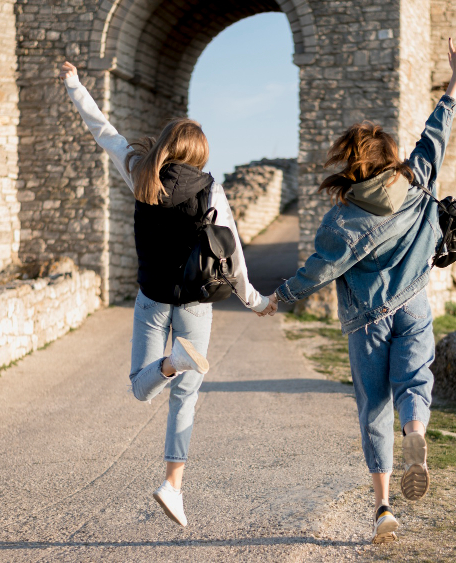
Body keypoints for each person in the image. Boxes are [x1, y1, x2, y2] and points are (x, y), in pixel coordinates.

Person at [259, 36, 456, 543]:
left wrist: (279, 298)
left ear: (351, 167)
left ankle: (382, 508)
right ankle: (416, 433)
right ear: (389, 158)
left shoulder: (343, 221)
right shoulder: (417, 178)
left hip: (368, 320)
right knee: (415, 379)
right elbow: (436, 131)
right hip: (414, 303)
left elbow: (316, 272)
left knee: (374, 405)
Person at [59, 61, 275, 527]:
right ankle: (172, 485)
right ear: (199, 153)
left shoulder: (139, 172)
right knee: (186, 398)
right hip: (196, 302)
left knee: (142, 388)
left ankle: (169, 364)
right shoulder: (211, 190)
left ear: (165, 145)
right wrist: (253, 300)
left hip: (152, 299)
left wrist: (75, 85)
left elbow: (104, 131)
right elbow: (231, 249)